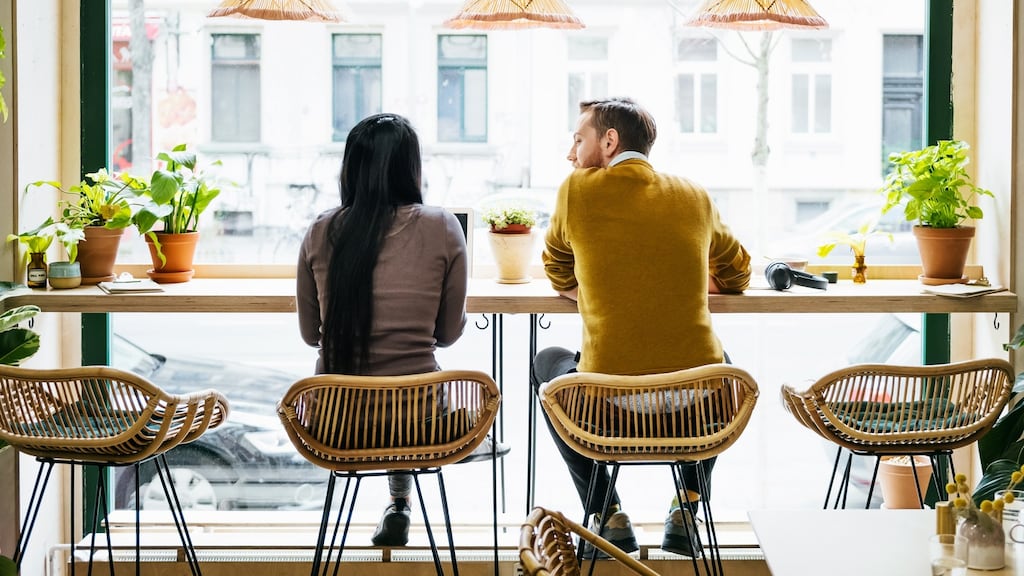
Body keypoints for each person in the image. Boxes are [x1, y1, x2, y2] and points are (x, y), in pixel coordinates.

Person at [531, 97, 752, 557]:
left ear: (609, 142)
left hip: (607, 409)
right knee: (720, 365)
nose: (571, 153)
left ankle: (606, 512)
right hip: (694, 410)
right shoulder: (693, 194)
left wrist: (596, 285)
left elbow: (556, 270)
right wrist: (682, 276)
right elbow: (738, 274)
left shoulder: (577, 190)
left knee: (546, 364)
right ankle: (686, 510)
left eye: (579, 139)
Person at [296, 113, 499, 547]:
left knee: (382, 392)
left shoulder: (319, 231)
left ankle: (398, 506)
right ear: (412, 168)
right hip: (419, 425)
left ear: (350, 169)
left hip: (337, 425)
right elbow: (447, 335)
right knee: (408, 394)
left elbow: (311, 334)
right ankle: (401, 504)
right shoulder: (443, 227)